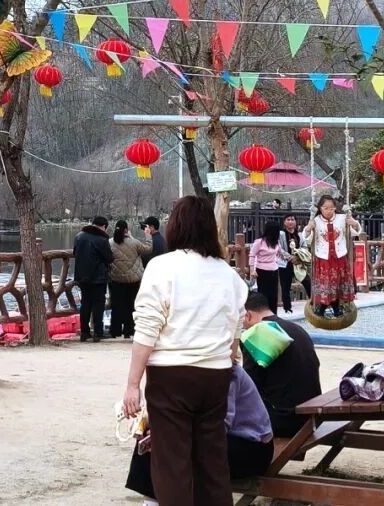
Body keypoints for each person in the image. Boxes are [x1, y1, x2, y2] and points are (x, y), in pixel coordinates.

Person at [122, 195, 249, 505]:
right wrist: (226, 363)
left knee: (172, 462)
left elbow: (147, 329)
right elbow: (235, 333)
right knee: (212, 461)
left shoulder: (162, 267)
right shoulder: (228, 274)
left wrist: (132, 384)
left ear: (175, 226)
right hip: (216, 374)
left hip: (171, 376)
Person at [125, 364, 274, 503]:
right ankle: (151, 502)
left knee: (170, 445)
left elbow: (220, 425)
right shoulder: (181, 370)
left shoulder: (225, 371)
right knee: (152, 440)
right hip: (219, 437)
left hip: (252, 447)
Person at [241, 291, 322, 436]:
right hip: (311, 415)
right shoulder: (296, 328)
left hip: (286, 420)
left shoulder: (257, 334)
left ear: (248, 315)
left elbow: (248, 387)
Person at [302, 195, 361, 318]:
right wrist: (308, 228)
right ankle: (323, 307)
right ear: (320, 208)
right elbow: (307, 239)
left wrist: (354, 223)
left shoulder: (343, 218)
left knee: (337, 282)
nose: (329, 211)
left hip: (339, 256)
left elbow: (355, 232)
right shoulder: (315, 221)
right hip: (323, 258)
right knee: (326, 284)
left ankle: (336, 307)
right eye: (325, 208)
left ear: (335, 208)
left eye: (331, 208)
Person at [108, 220, 151, 339]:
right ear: (126, 230)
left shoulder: (110, 242)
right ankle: (129, 330)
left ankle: (115, 330)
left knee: (116, 305)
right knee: (131, 305)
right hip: (132, 279)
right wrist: (148, 236)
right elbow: (148, 249)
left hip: (115, 278)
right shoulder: (134, 242)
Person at [73, 216, 113, 342]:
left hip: (82, 276)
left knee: (85, 304)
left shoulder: (79, 236)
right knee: (98, 305)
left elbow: (74, 253)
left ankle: (84, 332)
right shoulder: (102, 239)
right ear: (104, 226)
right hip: (98, 277)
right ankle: (98, 332)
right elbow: (109, 258)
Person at [276, 215, 299, 314]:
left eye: (292, 219)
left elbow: (304, 246)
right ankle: (287, 307)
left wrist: (299, 257)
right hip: (285, 263)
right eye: (288, 220)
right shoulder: (281, 234)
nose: (290, 221)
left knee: (307, 281)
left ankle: (313, 303)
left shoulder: (299, 234)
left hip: (298, 262)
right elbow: (279, 248)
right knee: (285, 285)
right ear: (284, 222)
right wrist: (290, 257)